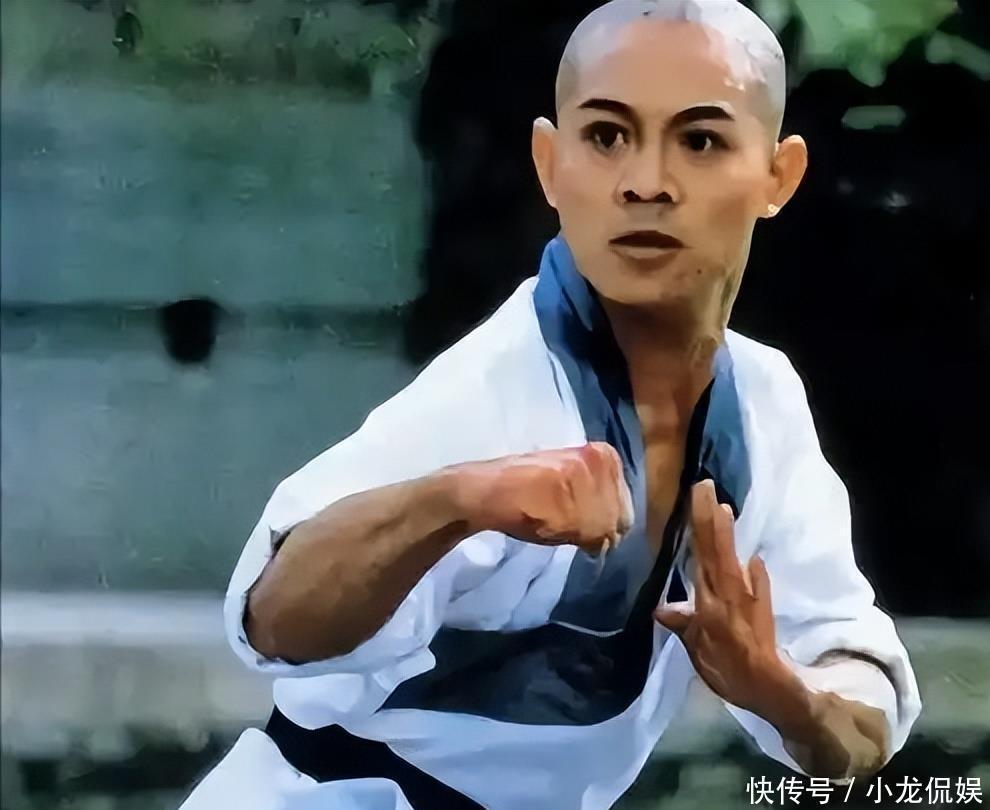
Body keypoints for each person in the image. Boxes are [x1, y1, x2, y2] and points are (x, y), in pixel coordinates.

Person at [179, 1, 921, 808]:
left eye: (701, 141)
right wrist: (462, 500)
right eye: (606, 136)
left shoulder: (763, 401)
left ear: (779, 176)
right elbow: (274, 621)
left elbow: (858, 702)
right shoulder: (497, 388)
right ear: (551, 162)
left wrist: (782, 692)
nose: (646, 182)